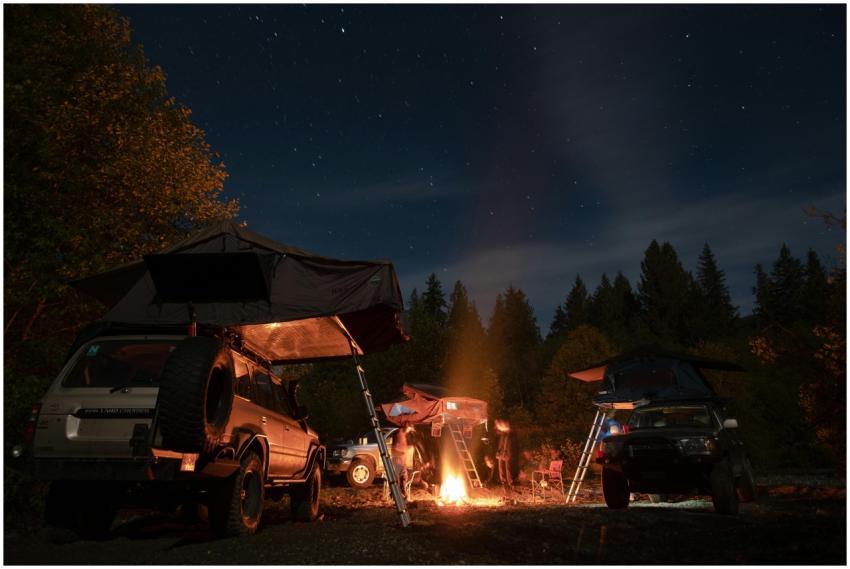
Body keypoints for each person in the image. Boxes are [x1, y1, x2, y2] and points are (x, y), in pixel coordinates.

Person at [391, 424, 412, 499]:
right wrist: (401, 453)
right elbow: (394, 448)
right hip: (398, 460)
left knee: (404, 477)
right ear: (406, 427)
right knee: (398, 479)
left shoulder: (403, 435)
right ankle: (396, 495)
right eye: (409, 429)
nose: (409, 431)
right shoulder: (399, 435)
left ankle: (402, 494)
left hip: (402, 461)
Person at [494, 419, 514, 493]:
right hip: (501, 453)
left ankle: (510, 483)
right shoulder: (503, 436)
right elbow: (500, 444)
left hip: (506, 454)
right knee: (501, 468)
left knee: (507, 469)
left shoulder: (509, 436)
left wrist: (506, 452)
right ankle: (504, 483)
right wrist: (498, 451)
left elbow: (509, 445)